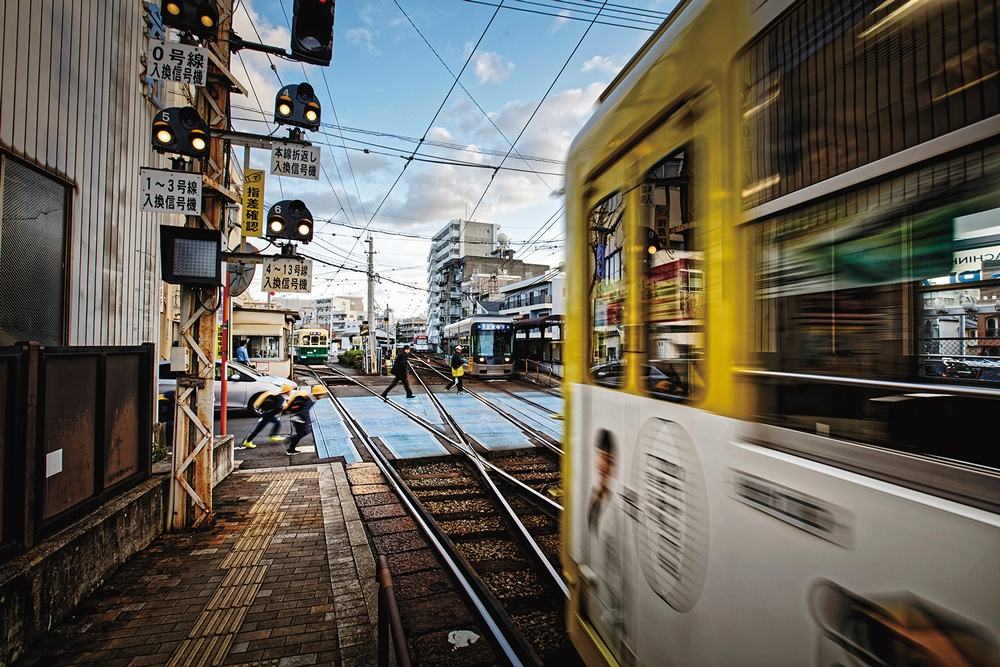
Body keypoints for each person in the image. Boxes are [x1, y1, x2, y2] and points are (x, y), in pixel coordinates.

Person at [241, 383, 294, 449]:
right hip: (268, 415)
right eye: (290, 391)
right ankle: (248, 441)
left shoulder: (281, 396)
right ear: (287, 391)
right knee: (259, 428)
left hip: (268, 414)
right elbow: (278, 407)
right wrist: (283, 407)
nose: (291, 392)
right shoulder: (281, 398)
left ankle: (272, 436)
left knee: (276, 423)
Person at [284, 384, 328, 454]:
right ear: (317, 394)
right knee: (300, 434)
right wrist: (307, 421)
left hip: (299, 418)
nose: (322, 396)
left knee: (306, 432)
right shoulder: (309, 400)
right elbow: (304, 411)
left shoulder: (311, 398)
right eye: (322, 394)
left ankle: (291, 439)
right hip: (298, 419)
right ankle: (290, 450)